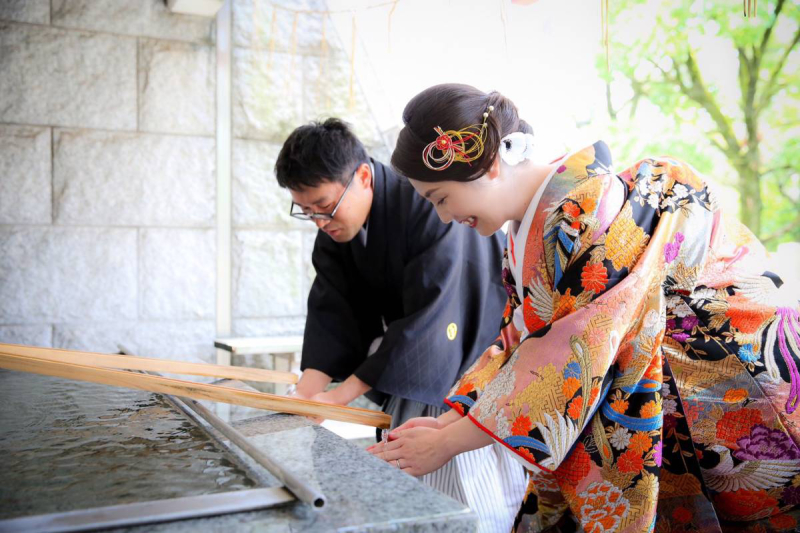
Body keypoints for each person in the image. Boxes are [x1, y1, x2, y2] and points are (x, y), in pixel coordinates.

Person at [371, 83, 800, 533]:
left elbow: (573, 351)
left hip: (733, 380)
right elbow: (520, 340)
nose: (443, 217)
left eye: (440, 198)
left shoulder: (590, 208)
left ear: (490, 164)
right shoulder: (528, 230)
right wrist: (455, 420)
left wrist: (452, 442)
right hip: (682, 388)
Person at [274, 118, 528, 533]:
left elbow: (433, 317)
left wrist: (338, 399)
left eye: (324, 206)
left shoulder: (428, 205)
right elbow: (333, 315)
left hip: (470, 356)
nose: (320, 221)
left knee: (473, 498)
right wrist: (307, 394)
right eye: (307, 212)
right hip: (412, 361)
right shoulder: (336, 229)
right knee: (406, 480)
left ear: (361, 176)